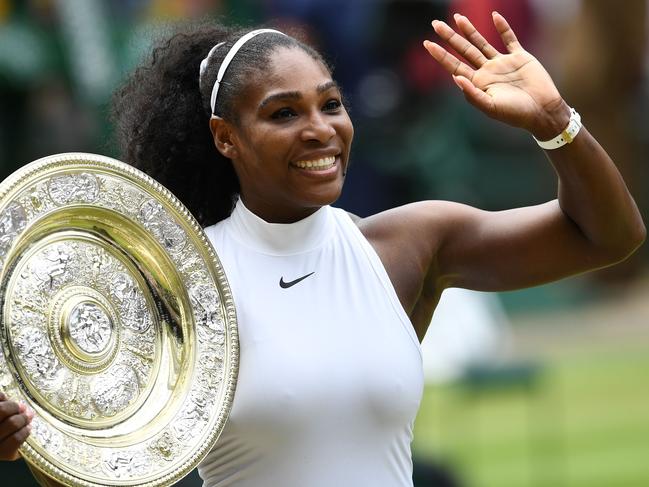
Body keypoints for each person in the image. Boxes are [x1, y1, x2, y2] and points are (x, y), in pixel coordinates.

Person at [1, 12, 645, 487]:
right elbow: (100, 467)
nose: (320, 130)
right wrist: (31, 440)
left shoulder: (406, 245)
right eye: (284, 113)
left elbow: (610, 237)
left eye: (331, 104)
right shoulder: (179, 285)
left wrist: (556, 122)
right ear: (226, 138)